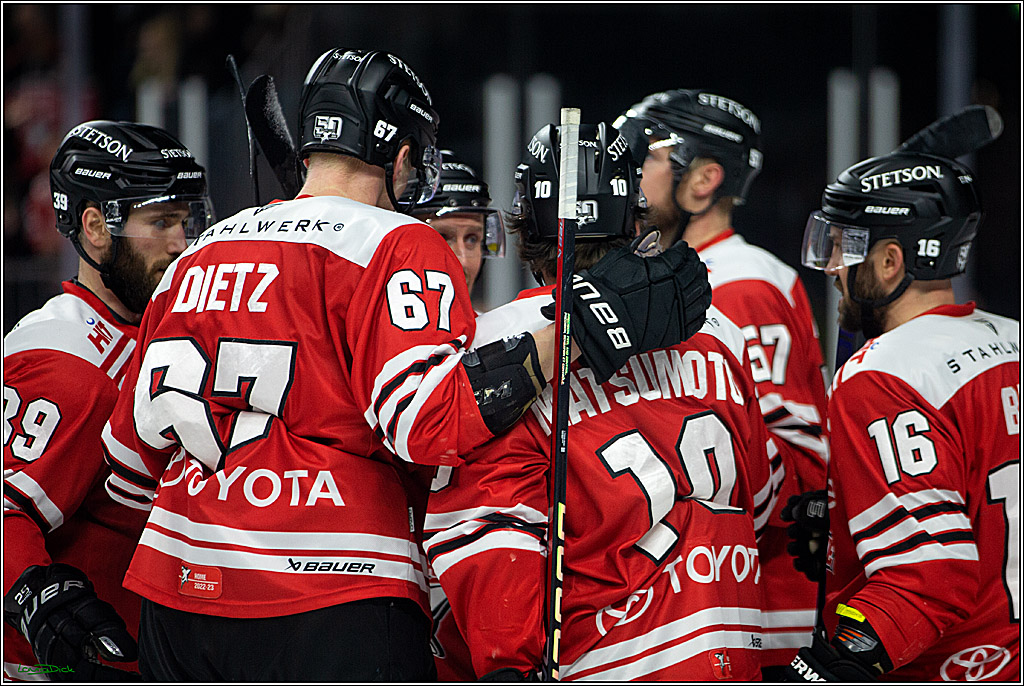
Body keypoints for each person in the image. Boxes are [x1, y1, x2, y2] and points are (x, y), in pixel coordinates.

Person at [97, 48, 713, 681]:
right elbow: (426, 423)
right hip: (331, 589)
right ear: (399, 154)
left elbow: (126, 465)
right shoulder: (399, 243)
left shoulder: (198, 252)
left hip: (175, 589)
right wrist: (581, 323)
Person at [424, 121, 781, 681]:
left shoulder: (496, 345)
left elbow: (489, 530)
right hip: (733, 646)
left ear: (525, 226)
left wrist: (506, 665)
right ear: (634, 219)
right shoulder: (719, 331)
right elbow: (763, 496)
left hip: (608, 661)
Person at [783, 147, 1019, 681]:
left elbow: (929, 576)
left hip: (952, 666)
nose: (834, 268)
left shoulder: (881, 375)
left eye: (842, 248)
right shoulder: (1012, 340)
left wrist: (837, 662)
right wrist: (851, 520)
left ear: (890, 261)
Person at [615, 89, 830, 669]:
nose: (623, 170)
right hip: (703, 601)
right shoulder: (678, 279)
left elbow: (801, 466)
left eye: (643, 154)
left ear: (704, 178)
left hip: (760, 609)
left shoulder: (740, 287)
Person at [3, 120, 212, 681]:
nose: (181, 243)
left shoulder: (166, 330)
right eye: (161, 221)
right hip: (70, 667)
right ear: (95, 228)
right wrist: (34, 594)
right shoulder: (63, 355)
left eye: (186, 222)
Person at [403, 149, 505, 296]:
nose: (462, 261)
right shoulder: (365, 318)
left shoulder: (496, 320)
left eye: (472, 239)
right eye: (441, 238)